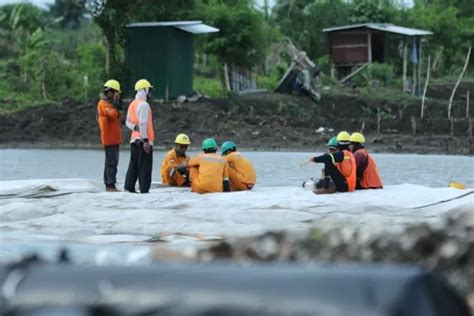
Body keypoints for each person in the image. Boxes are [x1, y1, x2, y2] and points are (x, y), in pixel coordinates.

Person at [124, 79, 155, 193]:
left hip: (134, 140)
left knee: (134, 165)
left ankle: (128, 188)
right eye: (149, 90)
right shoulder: (144, 105)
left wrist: (134, 128)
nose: (150, 93)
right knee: (145, 167)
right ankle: (144, 190)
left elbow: (127, 122)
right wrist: (146, 141)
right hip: (143, 141)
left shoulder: (132, 104)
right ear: (144, 90)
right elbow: (143, 123)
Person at [97, 79, 122, 192]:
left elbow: (117, 113)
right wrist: (116, 102)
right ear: (110, 91)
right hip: (109, 139)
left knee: (112, 161)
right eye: (116, 92)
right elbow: (113, 114)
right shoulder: (103, 104)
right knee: (111, 162)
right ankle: (110, 185)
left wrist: (117, 102)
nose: (116, 95)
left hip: (114, 138)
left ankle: (109, 184)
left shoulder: (109, 104)